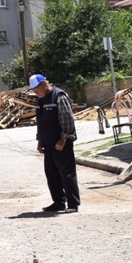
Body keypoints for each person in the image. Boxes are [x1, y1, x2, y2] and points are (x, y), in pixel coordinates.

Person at [31, 74, 80, 214]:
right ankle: (59, 202)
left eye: (36, 88)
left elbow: (68, 120)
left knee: (67, 174)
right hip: (48, 144)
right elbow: (41, 123)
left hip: (61, 144)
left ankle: (73, 203)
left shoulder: (59, 96)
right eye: (33, 90)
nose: (35, 92)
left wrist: (63, 139)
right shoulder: (40, 100)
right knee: (51, 174)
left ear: (44, 84)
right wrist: (39, 141)